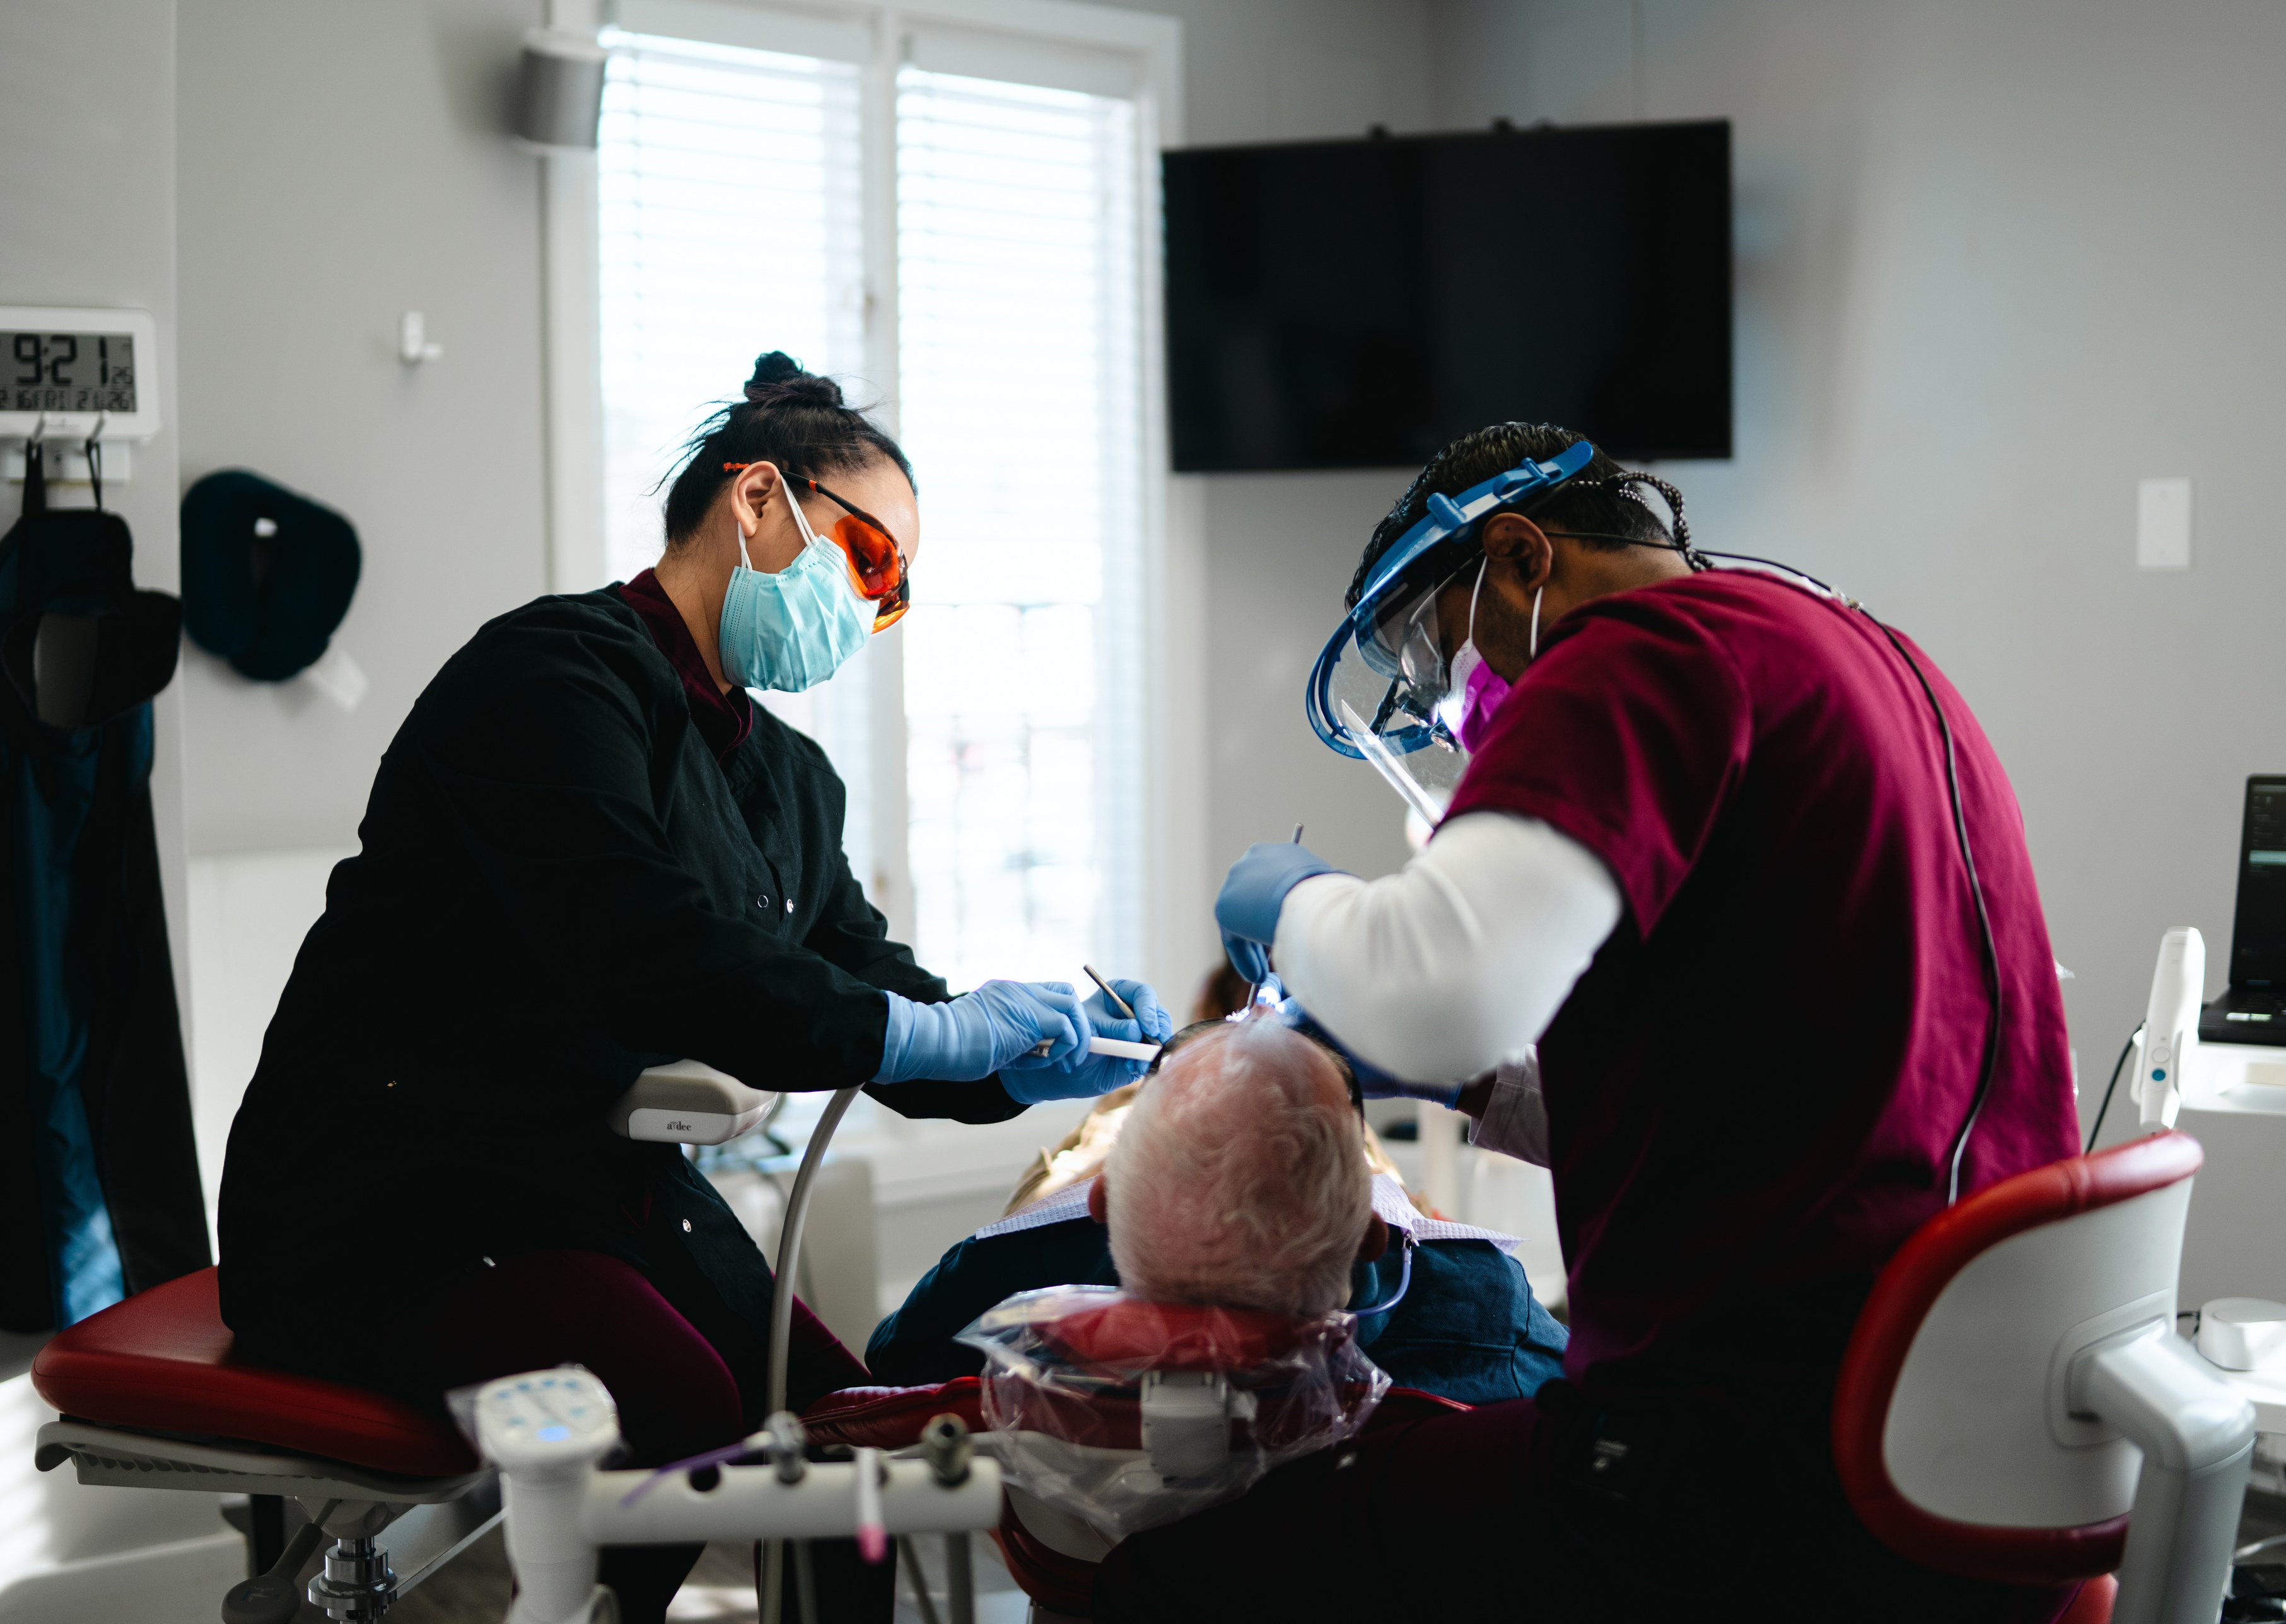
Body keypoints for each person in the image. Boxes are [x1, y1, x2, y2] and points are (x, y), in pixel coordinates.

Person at [215, 353, 1169, 1624]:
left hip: (593, 1194)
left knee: (853, 1440)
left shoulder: (786, 779)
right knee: (690, 1410)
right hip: (399, 1203)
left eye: (897, 596)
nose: (877, 608)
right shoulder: (549, 681)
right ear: (761, 502)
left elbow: (860, 978)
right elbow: (658, 954)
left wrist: (1023, 1053)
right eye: (872, 561)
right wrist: (929, 1032)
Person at [1114, 422, 2080, 1621]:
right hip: (1964, 1453)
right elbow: (1770, 1098)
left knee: (1183, 1538)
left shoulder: (1637, 651)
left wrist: (1293, 899)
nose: (1453, 700)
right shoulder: (1862, 654)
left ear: (1520, 556)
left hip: (1750, 1483)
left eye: (1441, 646)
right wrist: (1471, 1088)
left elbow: (1436, 990)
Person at [867, 1019, 1567, 1404]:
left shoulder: (1019, 1271)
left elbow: (893, 1370)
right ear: (1370, 1229)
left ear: (1104, 1196)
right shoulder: (1477, 1296)